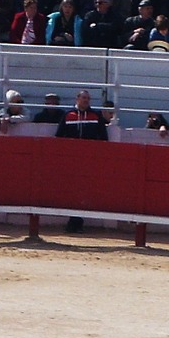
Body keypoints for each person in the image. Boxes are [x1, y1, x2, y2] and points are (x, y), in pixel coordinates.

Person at [55, 89, 111, 233]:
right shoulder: (67, 115)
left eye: (88, 98)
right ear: (77, 99)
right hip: (71, 160)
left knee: (82, 191)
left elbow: (103, 139)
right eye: (84, 98)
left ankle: (76, 222)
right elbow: (59, 138)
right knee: (73, 191)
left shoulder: (96, 115)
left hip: (88, 160)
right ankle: (75, 221)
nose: (86, 101)